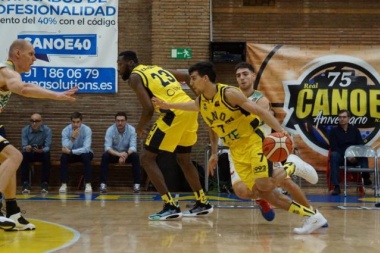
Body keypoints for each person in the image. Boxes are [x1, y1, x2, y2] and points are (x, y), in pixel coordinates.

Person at [152, 61, 327, 234]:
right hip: (235, 150)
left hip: (254, 142)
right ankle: (313, 216)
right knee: (259, 191)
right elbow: (192, 107)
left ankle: (293, 165)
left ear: (205, 78)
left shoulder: (229, 93)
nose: (191, 83)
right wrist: (168, 105)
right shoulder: (202, 102)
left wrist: (282, 133)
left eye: (193, 78)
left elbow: (262, 112)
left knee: (266, 184)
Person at [117, 50, 213, 221]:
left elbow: (147, 109)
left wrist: (140, 128)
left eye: (120, 64)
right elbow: (185, 75)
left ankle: (170, 205)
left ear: (130, 63)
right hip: (189, 109)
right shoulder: (155, 68)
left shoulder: (135, 77)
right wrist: (200, 99)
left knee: (147, 158)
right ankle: (202, 202)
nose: (118, 69)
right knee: (184, 159)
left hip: (173, 112)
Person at [226, 62, 319, 222]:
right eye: (238, 75)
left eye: (245, 74)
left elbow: (251, 116)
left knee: (286, 184)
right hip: (237, 150)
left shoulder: (260, 100)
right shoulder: (231, 98)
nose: (242, 78)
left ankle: (312, 214)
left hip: (260, 149)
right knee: (241, 191)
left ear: (253, 76)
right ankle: (262, 199)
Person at [0, 39, 77, 231]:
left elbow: (26, 86)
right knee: (15, 156)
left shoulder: (11, 73)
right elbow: (25, 89)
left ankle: (12, 211)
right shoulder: (5, 71)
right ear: (17, 54)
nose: (34, 59)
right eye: (31, 54)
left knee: (7, 162)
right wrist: (57, 95)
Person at [328, 109, 372, 195]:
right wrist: (347, 156)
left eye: (344, 117)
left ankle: (366, 177)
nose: (342, 119)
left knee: (363, 154)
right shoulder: (334, 132)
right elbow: (334, 147)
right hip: (342, 157)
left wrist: (355, 156)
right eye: (340, 117)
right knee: (333, 155)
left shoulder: (355, 130)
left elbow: (360, 145)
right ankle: (336, 187)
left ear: (349, 118)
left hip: (355, 157)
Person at [100, 112, 142, 194]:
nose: (120, 123)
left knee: (135, 156)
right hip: (114, 154)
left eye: (122, 121)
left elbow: (133, 147)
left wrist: (125, 154)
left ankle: (137, 184)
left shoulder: (132, 130)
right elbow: (107, 147)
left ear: (126, 121)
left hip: (127, 154)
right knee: (105, 156)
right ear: (115, 121)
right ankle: (103, 184)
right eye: (118, 121)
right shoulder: (110, 130)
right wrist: (119, 155)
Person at [59, 111, 93, 193]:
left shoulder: (87, 130)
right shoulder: (65, 131)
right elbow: (65, 148)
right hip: (71, 154)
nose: (75, 124)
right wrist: (72, 138)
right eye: (73, 122)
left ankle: (88, 184)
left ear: (81, 121)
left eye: (78, 122)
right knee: (63, 157)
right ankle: (64, 184)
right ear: (71, 122)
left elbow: (86, 148)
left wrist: (71, 152)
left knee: (86, 156)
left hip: (84, 153)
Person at [20, 113, 52, 194]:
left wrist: (42, 150)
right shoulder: (25, 130)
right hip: (30, 152)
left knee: (47, 156)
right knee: (23, 156)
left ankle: (44, 183)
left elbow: (48, 146)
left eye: (37, 121)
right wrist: (27, 148)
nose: (34, 123)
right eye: (32, 121)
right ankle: (25, 183)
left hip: (41, 152)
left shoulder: (47, 130)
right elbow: (24, 145)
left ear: (41, 122)